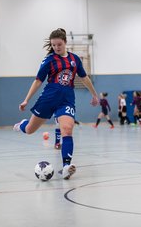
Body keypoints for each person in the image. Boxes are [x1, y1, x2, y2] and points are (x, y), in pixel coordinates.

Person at [13, 28, 99, 179]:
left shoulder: (74, 59)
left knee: (67, 128)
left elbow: (84, 78)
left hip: (66, 100)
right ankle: (21, 125)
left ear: (65, 42)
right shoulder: (49, 60)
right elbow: (38, 81)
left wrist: (94, 94)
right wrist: (26, 99)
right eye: (53, 45)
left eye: (59, 44)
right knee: (29, 129)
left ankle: (66, 166)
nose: (56, 47)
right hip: (48, 98)